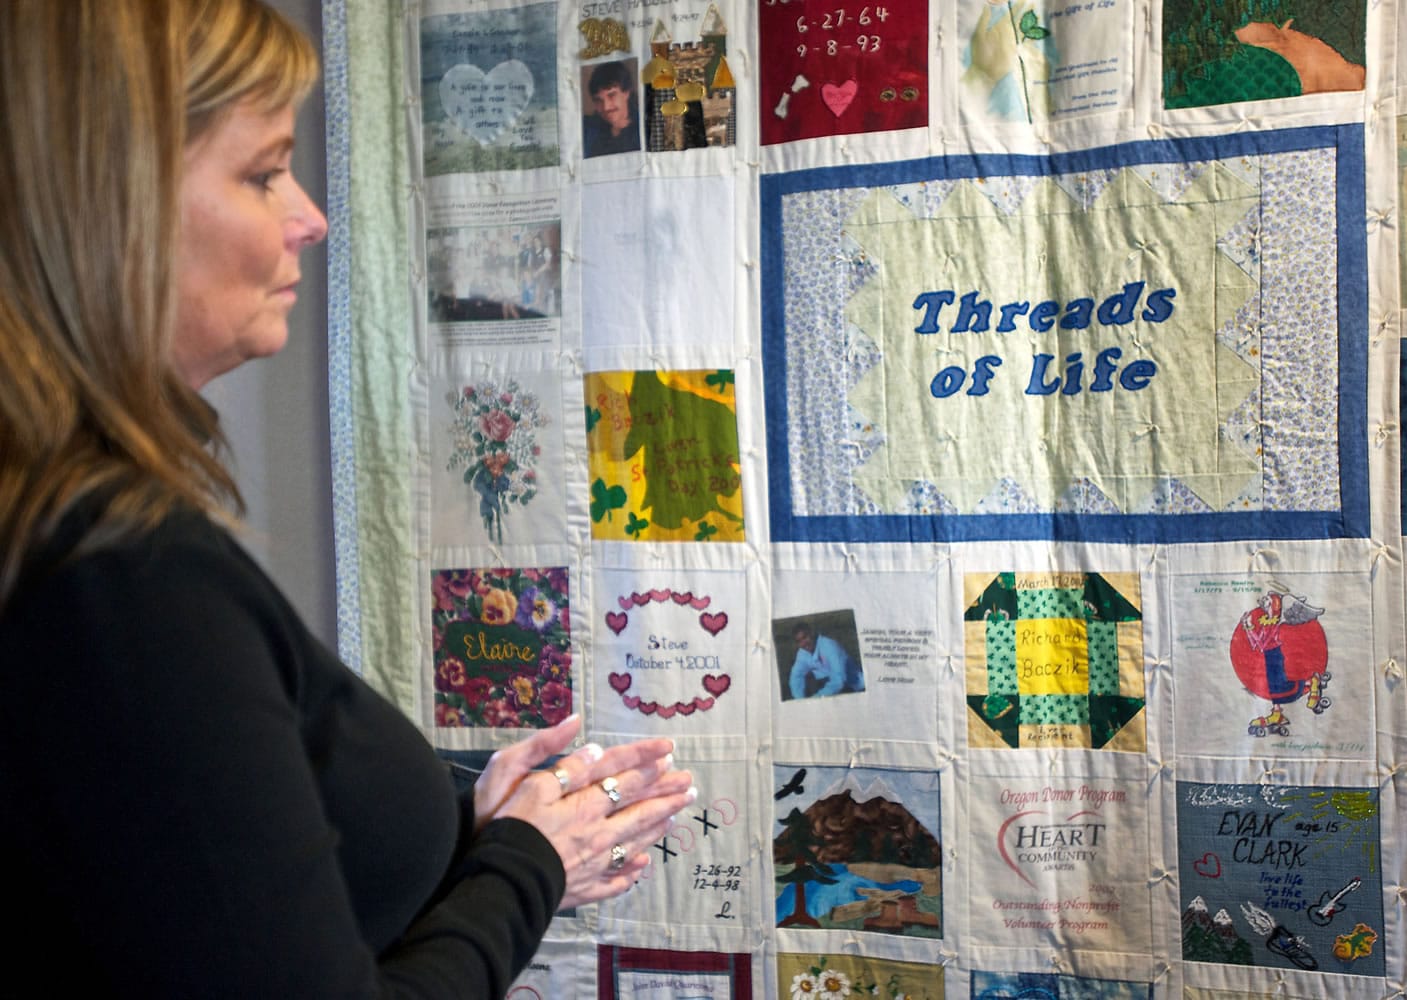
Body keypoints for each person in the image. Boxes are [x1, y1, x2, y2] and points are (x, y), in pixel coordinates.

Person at [0, 1, 694, 996]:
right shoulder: (115, 578)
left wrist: (473, 828)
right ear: (105, 200)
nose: (310, 217)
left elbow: (203, 892)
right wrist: (528, 861)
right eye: (262, 171)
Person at [788, 621, 865, 700]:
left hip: (855, 687)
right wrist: (800, 701)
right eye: (799, 641)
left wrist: (815, 699)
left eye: (805, 637)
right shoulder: (802, 653)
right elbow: (796, 677)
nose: (803, 643)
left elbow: (839, 680)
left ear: (812, 633)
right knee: (808, 678)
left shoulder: (829, 646)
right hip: (831, 683)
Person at [582, 60, 641, 157]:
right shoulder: (588, 130)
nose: (606, 107)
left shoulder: (644, 128)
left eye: (611, 95)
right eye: (598, 100)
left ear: (626, 92)